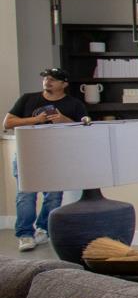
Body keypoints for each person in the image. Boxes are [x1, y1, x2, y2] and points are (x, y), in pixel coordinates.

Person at [5, 67, 87, 251]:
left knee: (53, 196)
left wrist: (64, 120)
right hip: (28, 153)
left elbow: (85, 129)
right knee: (25, 195)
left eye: (53, 79)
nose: (47, 81)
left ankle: (43, 230)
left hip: (57, 155)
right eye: (45, 78)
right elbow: (8, 123)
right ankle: (25, 235)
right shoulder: (27, 99)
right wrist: (35, 120)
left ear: (64, 84)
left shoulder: (74, 104)